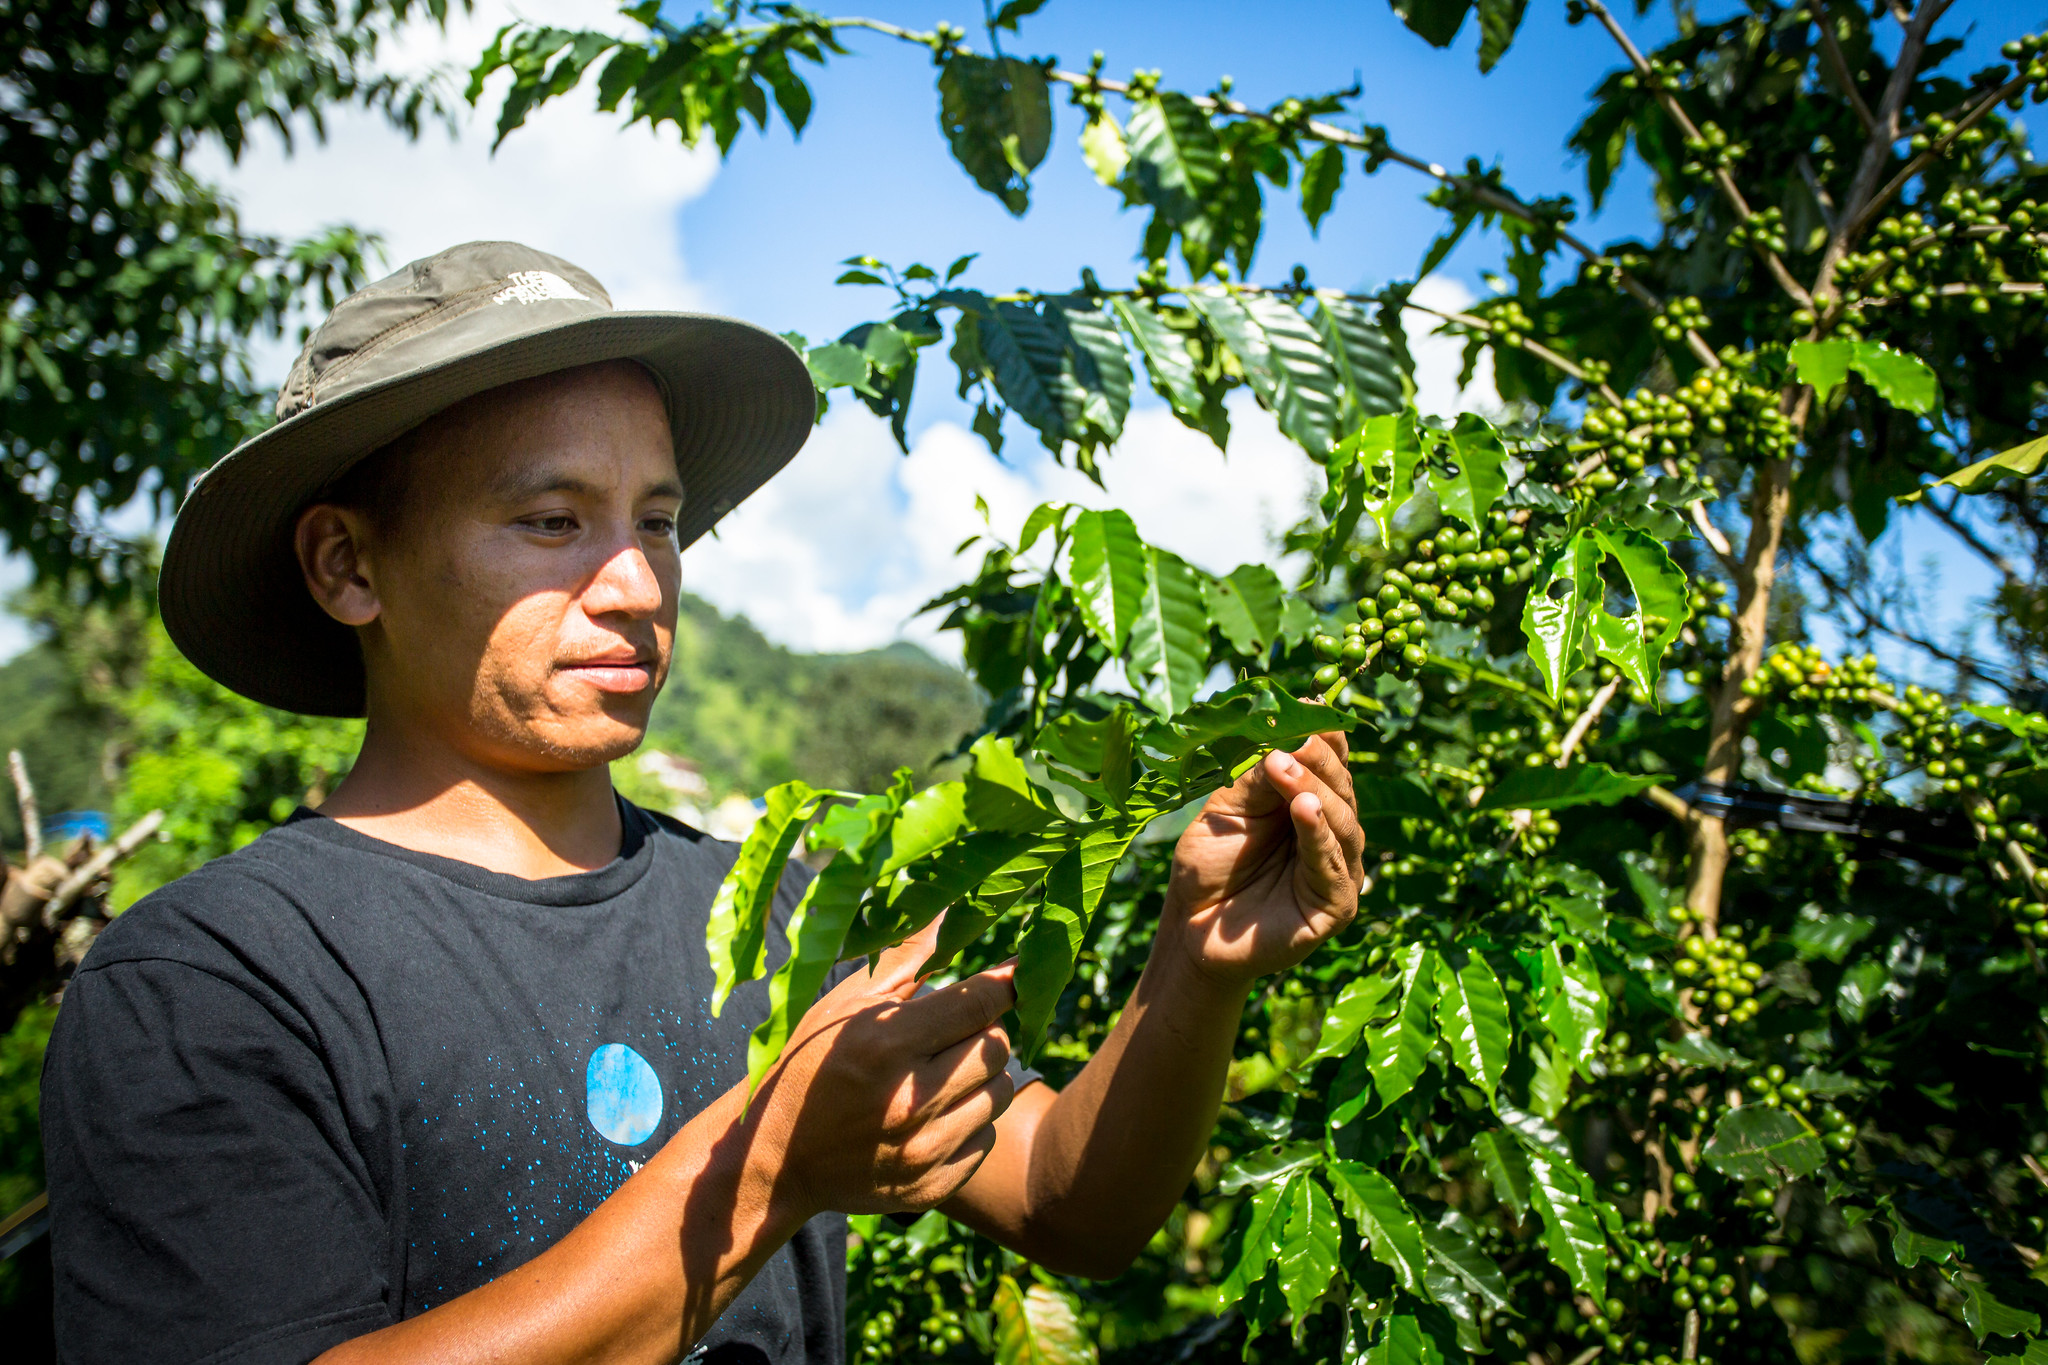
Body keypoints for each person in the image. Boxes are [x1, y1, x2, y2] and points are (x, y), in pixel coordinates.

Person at [40, 242, 1366, 1365]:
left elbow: (1068, 1198)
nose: (636, 585)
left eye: (658, 522)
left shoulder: (770, 914)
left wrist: (1196, 965)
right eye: (552, 521)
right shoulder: (214, 982)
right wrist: (765, 1167)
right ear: (347, 565)